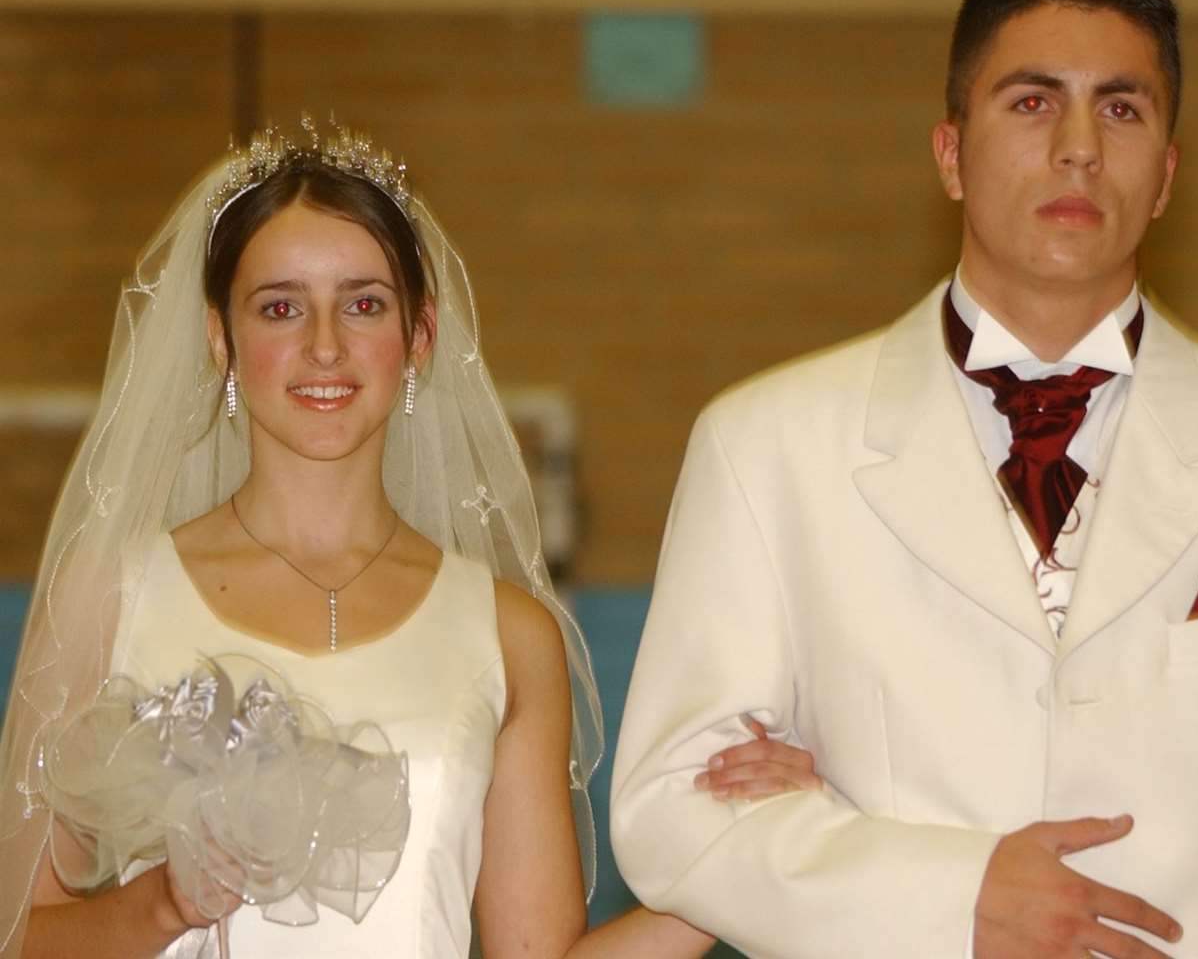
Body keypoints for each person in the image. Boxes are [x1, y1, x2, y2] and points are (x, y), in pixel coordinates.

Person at [610, 0, 1198, 958]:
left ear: (1163, 176)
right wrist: (953, 894)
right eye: (1031, 102)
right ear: (949, 153)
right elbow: (673, 811)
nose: (1078, 145)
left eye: (1120, 108)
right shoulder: (765, 448)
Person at [0, 123, 819, 959]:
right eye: (280, 307)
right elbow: (18, 935)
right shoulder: (111, 598)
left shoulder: (508, 633)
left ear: (420, 336)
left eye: (363, 304)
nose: (325, 344)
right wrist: (161, 905)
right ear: (222, 341)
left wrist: (735, 866)